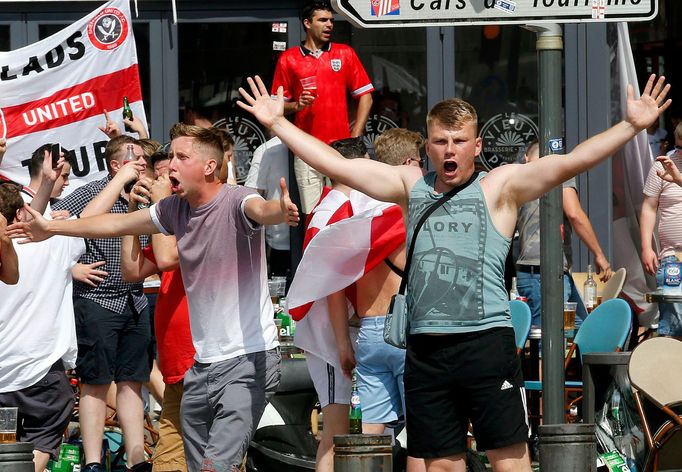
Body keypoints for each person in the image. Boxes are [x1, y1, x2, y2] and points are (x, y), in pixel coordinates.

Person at [235, 73, 670, 472]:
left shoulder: (500, 187)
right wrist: (278, 124)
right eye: (440, 141)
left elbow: (570, 162)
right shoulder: (411, 187)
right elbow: (338, 165)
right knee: (441, 464)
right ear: (426, 146)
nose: (449, 150)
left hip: (485, 343)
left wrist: (631, 127)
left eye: (459, 141)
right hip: (426, 349)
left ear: (476, 146)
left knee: (509, 460)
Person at [10, 123, 300, 471]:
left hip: (247, 362)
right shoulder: (174, 209)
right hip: (200, 366)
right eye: (171, 156)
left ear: (209, 167)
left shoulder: (237, 199)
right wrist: (52, 227)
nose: (170, 165)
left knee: (216, 466)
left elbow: (260, 210)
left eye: (181, 157)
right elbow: (114, 224)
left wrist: (279, 211)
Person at [51, 135, 152, 472]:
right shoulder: (92, 191)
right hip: (97, 301)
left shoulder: (147, 192)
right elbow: (54, 227)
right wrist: (70, 268)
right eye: (133, 157)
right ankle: (94, 461)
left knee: (132, 381)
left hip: (135, 300)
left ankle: (137, 456)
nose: (141, 162)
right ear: (113, 165)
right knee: (95, 383)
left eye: (142, 157)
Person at [0, 172, 84, 472]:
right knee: (43, 431)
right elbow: (93, 215)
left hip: (8, 375)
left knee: (6, 442)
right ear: (21, 214)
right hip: (37, 371)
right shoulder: (49, 241)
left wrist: (47, 186)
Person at [120, 170, 194, 472]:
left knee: (216, 461)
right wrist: (133, 211)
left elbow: (165, 259)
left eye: (173, 177)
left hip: (205, 363)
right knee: (168, 462)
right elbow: (131, 270)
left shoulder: (203, 219)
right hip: (176, 367)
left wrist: (158, 206)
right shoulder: (171, 224)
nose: (166, 183)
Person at [271, 0, 374, 213]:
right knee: (314, 213)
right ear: (307, 23)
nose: (329, 25)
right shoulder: (288, 59)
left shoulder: (345, 53)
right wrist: (296, 105)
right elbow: (276, 107)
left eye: (331, 21)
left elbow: (366, 96)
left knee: (347, 211)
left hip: (342, 149)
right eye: (323, 20)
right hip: (306, 148)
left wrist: (355, 135)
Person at [516, 140, 613, 328]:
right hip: (547, 272)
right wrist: (599, 254)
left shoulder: (519, 181)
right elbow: (575, 214)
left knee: (579, 329)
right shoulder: (558, 174)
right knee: (553, 338)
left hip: (529, 272)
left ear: (526, 158)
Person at [641, 141, 682, 339]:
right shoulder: (661, 165)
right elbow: (649, 207)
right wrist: (646, 247)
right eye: (679, 148)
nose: (680, 154)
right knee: (674, 325)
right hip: (673, 257)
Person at [245, 136, 291, 278]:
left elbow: (251, 196)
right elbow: (251, 196)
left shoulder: (267, 149)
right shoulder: (266, 150)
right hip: (278, 242)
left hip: (282, 240)